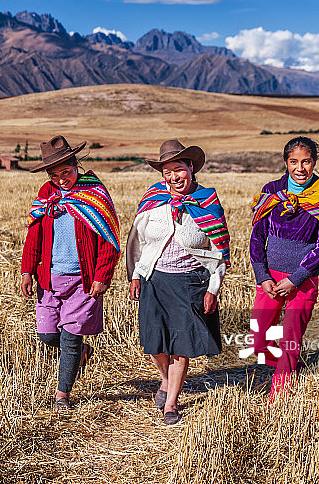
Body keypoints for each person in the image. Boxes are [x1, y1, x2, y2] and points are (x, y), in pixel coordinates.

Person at [126, 139, 230, 424]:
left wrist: (213, 288)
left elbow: (219, 251)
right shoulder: (153, 201)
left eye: (179, 169)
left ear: (191, 168)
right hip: (155, 280)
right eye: (167, 172)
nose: (174, 177)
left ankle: (171, 403)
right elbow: (138, 242)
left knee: (181, 347)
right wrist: (135, 274)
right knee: (155, 345)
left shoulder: (207, 202)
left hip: (190, 283)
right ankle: (166, 380)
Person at [21, 135, 121, 411]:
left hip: (83, 281)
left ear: (76, 165)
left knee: (69, 338)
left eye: (66, 172)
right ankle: (82, 352)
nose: (61, 179)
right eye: (54, 175)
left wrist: (102, 276)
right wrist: (27, 270)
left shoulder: (94, 194)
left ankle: (62, 395)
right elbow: (34, 236)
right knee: (47, 335)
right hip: (49, 279)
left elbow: (109, 239)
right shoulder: (46, 195)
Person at [249, 136, 319, 399]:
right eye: (294, 161)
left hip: (303, 281)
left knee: (290, 341)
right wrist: (262, 275)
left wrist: (296, 278)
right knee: (258, 342)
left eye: (306, 161)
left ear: (314, 162)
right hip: (270, 280)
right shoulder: (271, 191)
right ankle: (290, 367)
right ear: (286, 162)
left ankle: (279, 395)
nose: (300, 168)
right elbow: (257, 237)